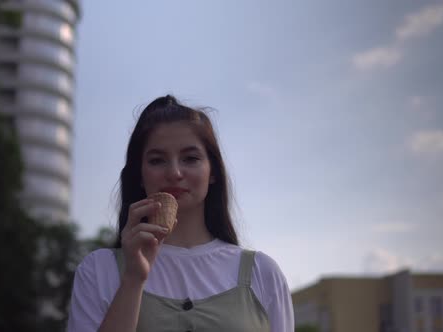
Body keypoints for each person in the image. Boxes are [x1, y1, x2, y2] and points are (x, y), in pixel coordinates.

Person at [67, 95, 294, 332]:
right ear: (140, 176)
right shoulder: (99, 269)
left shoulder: (263, 272)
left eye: (190, 158)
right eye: (157, 160)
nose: (174, 172)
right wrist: (133, 279)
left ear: (213, 172)